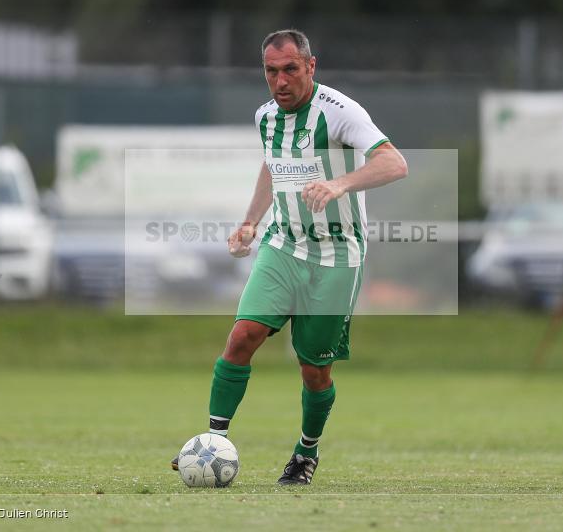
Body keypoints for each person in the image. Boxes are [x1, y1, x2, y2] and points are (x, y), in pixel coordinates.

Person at [172, 29, 408, 485]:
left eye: (290, 70)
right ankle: (211, 444)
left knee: (314, 368)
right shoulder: (265, 117)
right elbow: (272, 164)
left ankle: (305, 454)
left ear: (310, 67)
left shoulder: (340, 113)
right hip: (284, 246)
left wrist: (340, 185)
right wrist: (249, 222)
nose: (280, 81)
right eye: (271, 71)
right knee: (242, 336)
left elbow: (395, 163)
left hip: (338, 253)